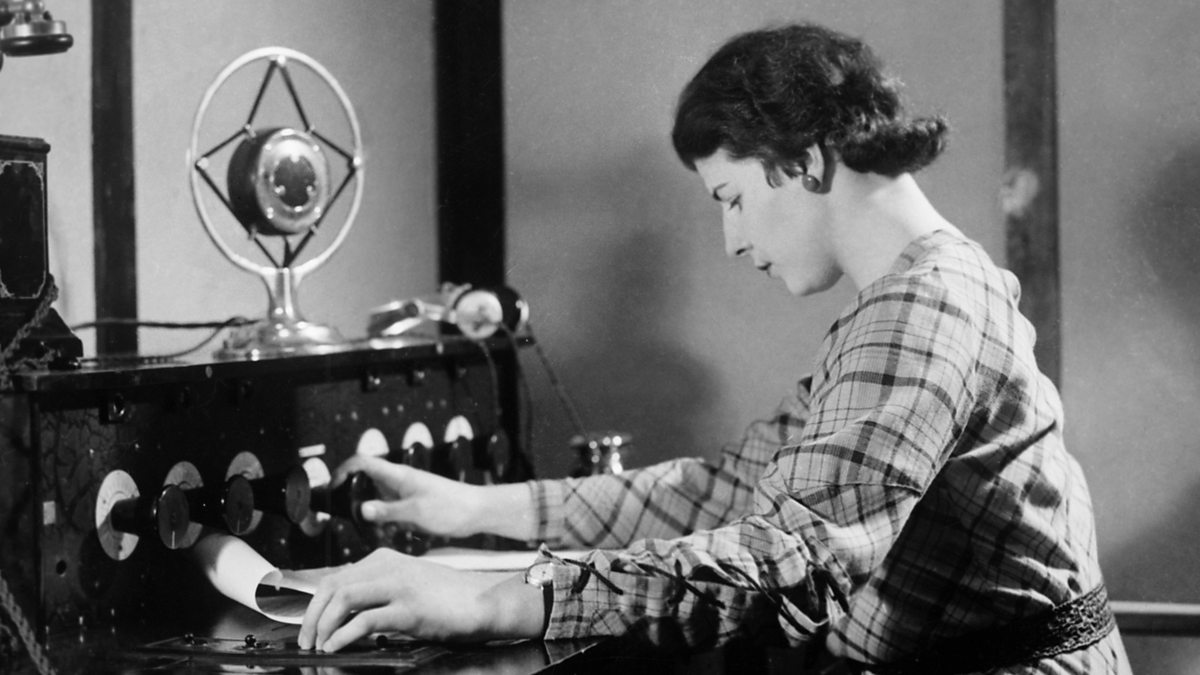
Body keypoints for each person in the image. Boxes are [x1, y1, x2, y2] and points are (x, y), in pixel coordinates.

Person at [298, 22, 1131, 674]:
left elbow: (790, 564)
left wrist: (495, 602)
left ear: (804, 161)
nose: (732, 239)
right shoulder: (916, 294)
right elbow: (726, 488)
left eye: (730, 197)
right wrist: (474, 509)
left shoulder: (923, 307)